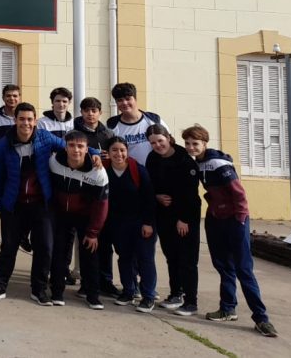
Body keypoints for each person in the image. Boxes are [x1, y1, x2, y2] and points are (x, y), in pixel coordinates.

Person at [0, 103, 99, 305]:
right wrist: (1, 205)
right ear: (15, 120)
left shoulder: (44, 138)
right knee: (8, 248)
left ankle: (38, 289)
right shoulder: (2, 145)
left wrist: (93, 152)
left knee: (45, 248)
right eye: (22, 119)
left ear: (35, 120)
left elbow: (70, 145)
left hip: (41, 204)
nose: (26, 123)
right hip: (14, 205)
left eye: (30, 119)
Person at [181, 125, 278, 338]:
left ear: (205, 143)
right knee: (224, 266)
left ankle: (261, 318)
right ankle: (227, 308)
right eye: (187, 143)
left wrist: (240, 220)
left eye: (195, 144)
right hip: (216, 219)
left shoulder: (218, 163)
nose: (191, 147)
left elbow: (239, 194)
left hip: (234, 221)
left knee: (244, 269)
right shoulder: (198, 162)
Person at [48, 130, 109, 309]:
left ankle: (92, 295)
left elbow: (102, 205)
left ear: (86, 149)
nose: (76, 150)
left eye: (80, 146)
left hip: (86, 217)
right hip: (62, 215)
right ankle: (57, 292)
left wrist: (93, 232)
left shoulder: (98, 172)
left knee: (89, 255)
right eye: (72, 146)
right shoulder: (54, 162)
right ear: (66, 148)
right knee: (59, 254)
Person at [145, 124, 201, 317]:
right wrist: (157, 197)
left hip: (185, 218)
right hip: (164, 216)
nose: (157, 145)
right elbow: (149, 185)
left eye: (160, 141)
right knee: (172, 257)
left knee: (187, 260)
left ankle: (191, 302)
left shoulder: (185, 160)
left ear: (168, 138)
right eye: (153, 143)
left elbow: (191, 195)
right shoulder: (152, 159)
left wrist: (183, 219)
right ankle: (176, 294)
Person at [105, 136, 158, 312]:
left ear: (127, 151)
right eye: (114, 150)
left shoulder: (138, 170)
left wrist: (148, 223)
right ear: (108, 152)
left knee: (145, 258)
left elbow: (149, 198)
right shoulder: (104, 170)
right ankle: (129, 291)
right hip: (118, 223)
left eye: (122, 150)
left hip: (141, 222)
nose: (118, 154)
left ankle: (148, 296)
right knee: (125, 257)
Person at [73, 96, 114, 292]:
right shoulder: (74, 132)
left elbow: (119, 154)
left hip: (103, 190)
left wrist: (109, 156)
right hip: (82, 191)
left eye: (94, 110)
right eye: (86, 110)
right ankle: (87, 283)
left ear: (100, 113)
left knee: (104, 241)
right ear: (81, 112)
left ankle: (106, 281)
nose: (90, 114)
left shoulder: (107, 134)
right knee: (85, 241)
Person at [108, 82, 163, 165]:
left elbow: (169, 144)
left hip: (156, 172)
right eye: (120, 100)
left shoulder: (154, 119)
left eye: (128, 99)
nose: (124, 103)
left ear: (135, 99)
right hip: (129, 174)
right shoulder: (111, 125)